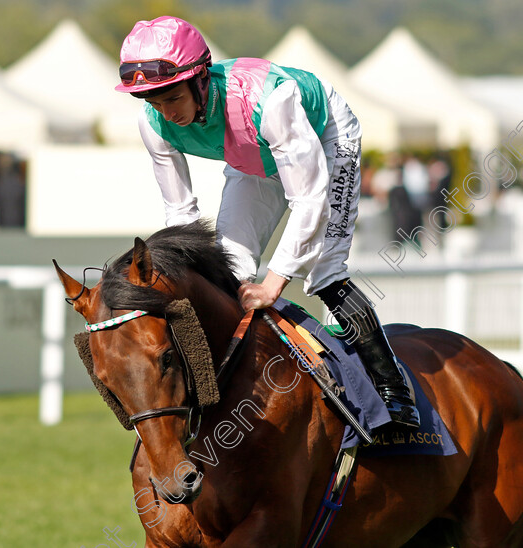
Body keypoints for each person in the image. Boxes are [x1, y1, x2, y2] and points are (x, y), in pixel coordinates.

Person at [116, 16, 419, 428]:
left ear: (200, 79)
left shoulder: (273, 101)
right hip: (252, 156)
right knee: (226, 269)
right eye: (153, 102)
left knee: (325, 272)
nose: (166, 112)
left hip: (323, 136)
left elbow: (309, 200)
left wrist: (274, 283)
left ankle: (395, 394)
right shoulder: (152, 124)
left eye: (171, 97)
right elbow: (181, 216)